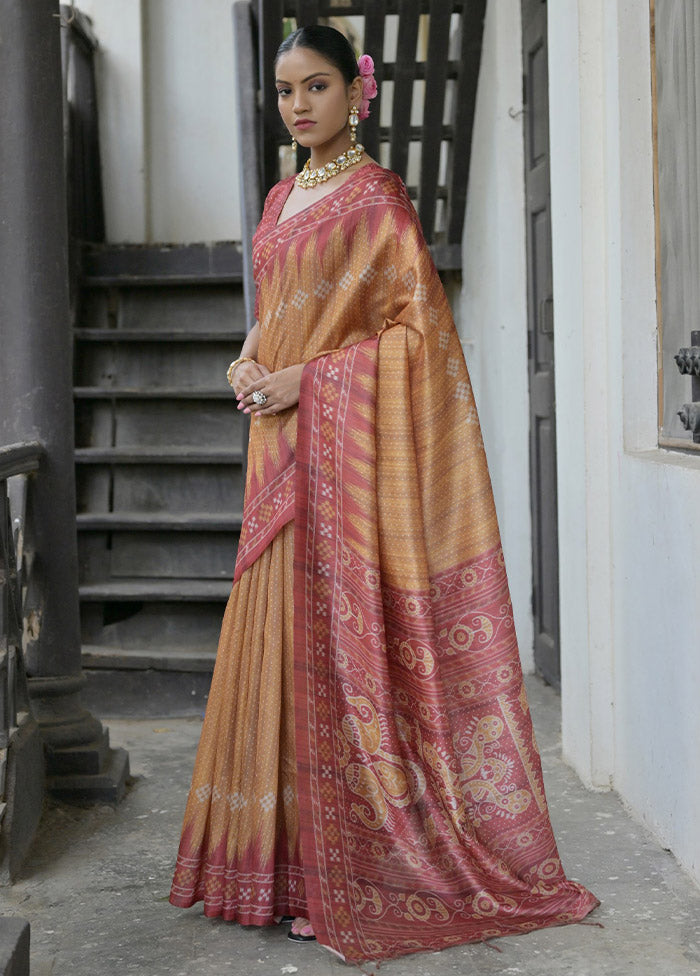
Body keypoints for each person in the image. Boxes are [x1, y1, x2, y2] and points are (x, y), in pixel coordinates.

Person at [169, 24, 598, 965]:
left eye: (315, 86)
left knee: (337, 660)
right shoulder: (283, 199)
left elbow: (417, 337)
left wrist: (309, 383)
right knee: (276, 650)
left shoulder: (377, 199)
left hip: (339, 463)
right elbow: (273, 313)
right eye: (285, 91)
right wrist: (247, 359)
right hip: (276, 454)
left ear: (355, 93)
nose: (298, 106)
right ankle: (277, 872)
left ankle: (352, 875)